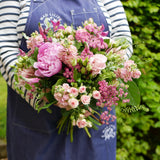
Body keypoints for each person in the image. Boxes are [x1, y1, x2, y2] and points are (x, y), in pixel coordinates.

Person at [0, 0, 133, 159]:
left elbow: (123, 40)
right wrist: (44, 96)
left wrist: (94, 87)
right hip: (35, 120)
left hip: (91, 116)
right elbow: (5, 49)